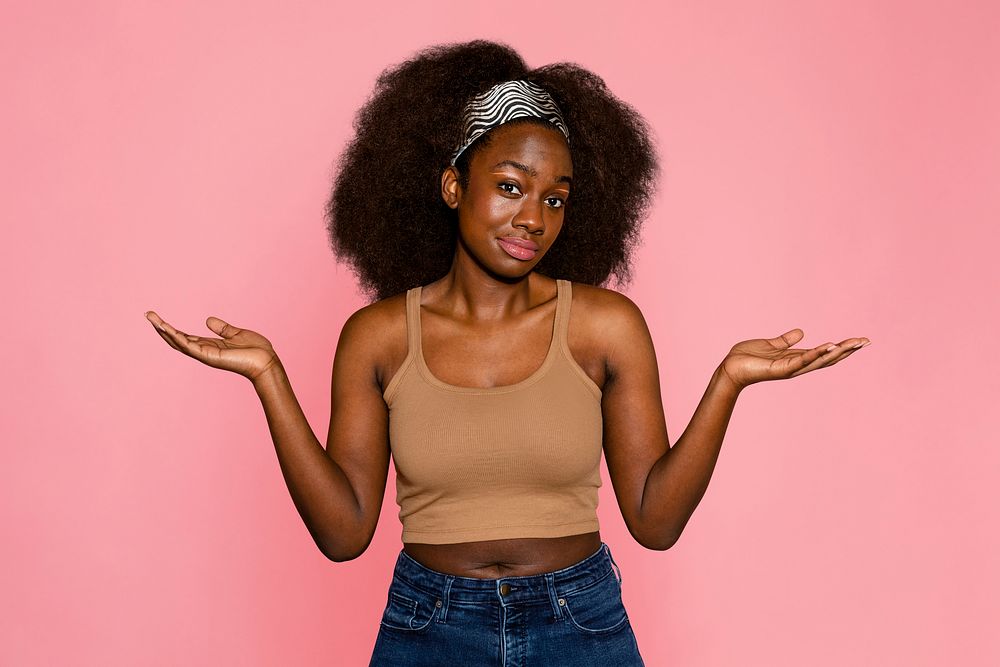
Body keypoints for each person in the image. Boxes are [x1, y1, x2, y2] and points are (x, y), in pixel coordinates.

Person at [145, 40, 870, 666]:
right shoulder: (379, 337)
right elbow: (343, 534)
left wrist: (728, 382)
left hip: (579, 622)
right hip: (428, 625)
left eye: (555, 198)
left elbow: (654, 519)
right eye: (511, 187)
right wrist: (269, 377)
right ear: (454, 185)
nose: (534, 217)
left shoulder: (604, 326)